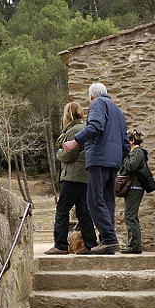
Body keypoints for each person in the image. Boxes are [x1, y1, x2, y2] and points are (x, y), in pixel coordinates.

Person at [63, 82, 130, 255]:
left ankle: (109, 238)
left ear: (91, 96)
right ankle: (108, 243)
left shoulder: (97, 104)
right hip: (113, 162)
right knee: (107, 201)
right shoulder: (117, 111)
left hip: (99, 158)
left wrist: (75, 141)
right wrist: (119, 159)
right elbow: (125, 142)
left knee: (93, 200)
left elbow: (95, 126)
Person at [46, 102, 98, 256]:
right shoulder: (84, 129)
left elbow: (69, 155)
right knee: (83, 211)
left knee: (62, 209)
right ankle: (91, 244)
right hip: (84, 176)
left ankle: (60, 245)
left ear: (67, 114)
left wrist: (58, 153)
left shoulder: (73, 130)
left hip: (72, 176)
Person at [119, 129, 148, 254]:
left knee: (130, 216)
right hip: (132, 187)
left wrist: (123, 157)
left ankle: (134, 246)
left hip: (135, 187)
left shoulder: (137, 152)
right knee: (131, 216)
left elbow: (131, 166)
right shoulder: (134, 152)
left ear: (132, 140)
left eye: (127, 140)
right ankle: (134, 244)